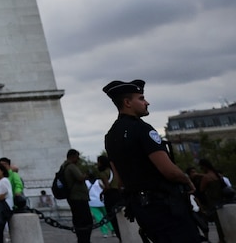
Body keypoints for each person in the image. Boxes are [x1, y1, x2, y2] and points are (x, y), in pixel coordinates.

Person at [102, 80, 198, 242]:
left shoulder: (110, 136)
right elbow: (168, 170)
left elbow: (119, 181)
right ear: (127, 103)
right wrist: (186, 179)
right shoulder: (142, 129)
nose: (147, 102)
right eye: (141, 98)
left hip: (142, 209)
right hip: (165, 207)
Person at [62, 149, 92, 243]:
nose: (78, 159)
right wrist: (86, 175)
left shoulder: (64, 166)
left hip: (73, 197)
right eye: (77, 156)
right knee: (85, 221)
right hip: (78, 197)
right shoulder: (71, 166)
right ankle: (84, 240)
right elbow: (80, 178)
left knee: (79, 220)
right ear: (73, 156)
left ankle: (82, 239)